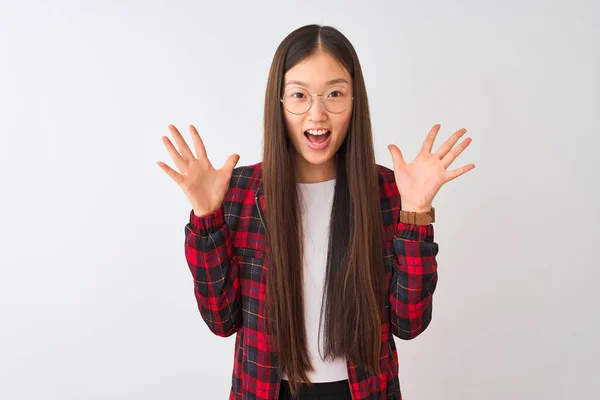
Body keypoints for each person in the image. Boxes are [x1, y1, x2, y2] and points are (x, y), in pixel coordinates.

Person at [157, 24, 474, 400]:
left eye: (335, 93)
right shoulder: (240, 192)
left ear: (355, 101)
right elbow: (222, 320)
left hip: (362, 391)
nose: (317, 113)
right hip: (268, 390)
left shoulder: (389, 191)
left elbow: (409, 323)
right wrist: (207, 216)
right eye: (299, 95)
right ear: (279, 102)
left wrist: (417, 212)